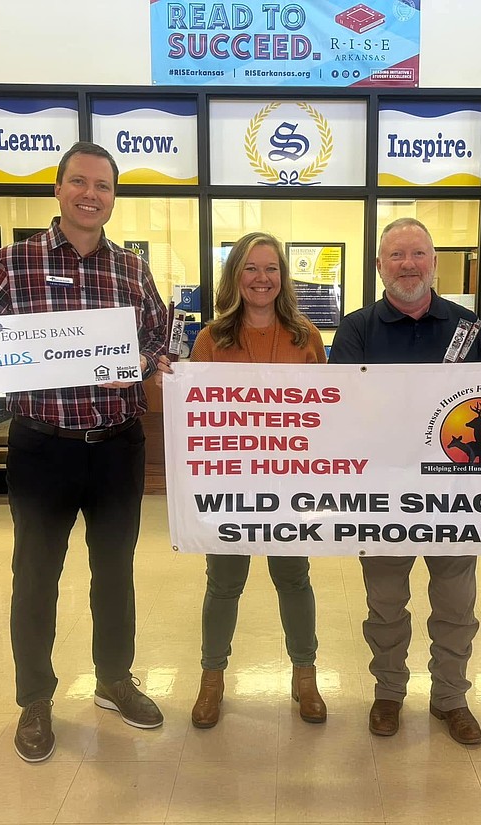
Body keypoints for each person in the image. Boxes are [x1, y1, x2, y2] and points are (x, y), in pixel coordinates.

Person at [0, 141, 169, 763]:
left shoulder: (132, 269)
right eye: (79, 182)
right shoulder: (14, 261)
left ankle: (113, 680)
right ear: (58, 189)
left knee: (116, 574)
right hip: (42, 448)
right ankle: (36, 699)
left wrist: (140, 364)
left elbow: (160, 341)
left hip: (116, 449)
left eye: (102, 186)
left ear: (112, 197)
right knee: (36, 578)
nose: (90, 195)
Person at [329, 217, 481, 745]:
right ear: (379, 267)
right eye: (396, 256)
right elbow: (344, 407)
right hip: (382, 495)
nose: (408, 265)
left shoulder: (469, 328)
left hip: (454, 494)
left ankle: (450, 699)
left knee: (456, 606)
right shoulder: (355, 330)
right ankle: (389, 694)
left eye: (418, 254)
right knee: (386, 606)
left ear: (434, 262)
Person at [156, 232, 328, 729]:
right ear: (235, 276)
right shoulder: (211, 338)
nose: (262, 278)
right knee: (224, 583)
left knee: (294, 579)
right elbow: (194, 412)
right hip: (231, 484)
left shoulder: (305, 337)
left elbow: (329, 410)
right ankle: (212, 679)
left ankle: (306, 676)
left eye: (271, 268)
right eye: (251, 268)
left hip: (292, 484)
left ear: (283, 277)